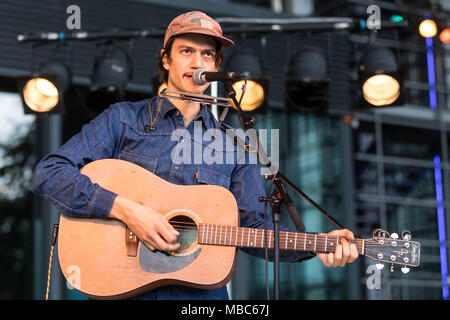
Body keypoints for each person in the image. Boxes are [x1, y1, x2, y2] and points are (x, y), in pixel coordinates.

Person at [30, 11, 358, 300]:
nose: (197, 62)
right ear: (166, 59)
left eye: (206, 54)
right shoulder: (123, 119)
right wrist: (127, 210)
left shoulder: (235, 143)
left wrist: (317, 244)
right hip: (120, 286)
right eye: (186, 51)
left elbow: (253, 231)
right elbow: (49, 173)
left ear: (216, 66)